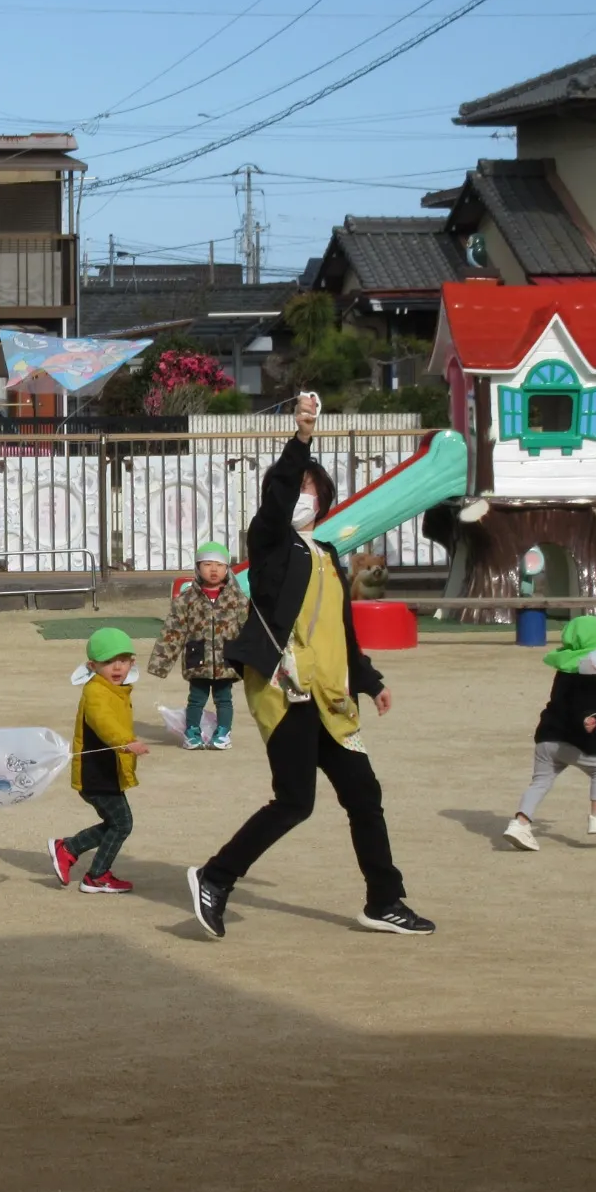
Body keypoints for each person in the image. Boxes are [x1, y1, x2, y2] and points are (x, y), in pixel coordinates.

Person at [185, 393, 435, 940]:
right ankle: (215, 876)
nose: (304, 496)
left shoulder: (325, 553)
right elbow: (277, 499)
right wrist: (301, 437)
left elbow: (340, 630)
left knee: (364, 796)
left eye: (313, 490)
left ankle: (384, 901)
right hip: (285, 688)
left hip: (330, 695)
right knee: (295, 801)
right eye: (299, 487)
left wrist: (369, 680)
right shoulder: (271, 543)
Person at [504, 616, 596, 851]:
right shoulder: (584, 678)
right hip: (570, 740)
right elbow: (585, 701)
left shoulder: (565, 672)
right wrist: (587, 719)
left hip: (546, 739)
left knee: (541, 781)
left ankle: (520, 824)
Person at [49, 627, 152, 895]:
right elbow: (102, 722)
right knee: (122, 823)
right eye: (108, 662)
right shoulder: (95, 691)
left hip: (108, 771)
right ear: (92, 665)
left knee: (115, 823)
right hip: (95, 774)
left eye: (124, 660)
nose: (117, 667)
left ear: (132, 662)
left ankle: (76, 855)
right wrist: (125, 742)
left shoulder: (117, 689)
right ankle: (88, 868)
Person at [148, 542, 250, 750]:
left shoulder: (238, 599)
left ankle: (223, 732)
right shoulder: (186, 600)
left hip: (226, 659)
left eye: (220, 565)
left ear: (227, 569)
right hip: (198, 657)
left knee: (224, 698)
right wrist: (161, 663)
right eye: (207, 564)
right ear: (197, 567)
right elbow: (173, 632)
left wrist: (255, 659)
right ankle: (192, 731)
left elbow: (248, 629)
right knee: (196, 698)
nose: (214, 570)